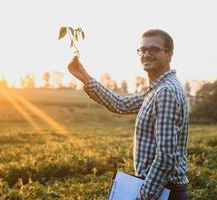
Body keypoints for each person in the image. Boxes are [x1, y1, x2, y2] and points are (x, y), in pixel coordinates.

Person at [68, 29, 189, 200]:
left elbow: (166, 157)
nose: (146, 54)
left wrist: (143, 196)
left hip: (164, 192)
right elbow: (121, 104)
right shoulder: (156, 90)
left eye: (154, 49)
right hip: (160, 189)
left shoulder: (165, 92)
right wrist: (85, 78)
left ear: (169, 55)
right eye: (143, 50)